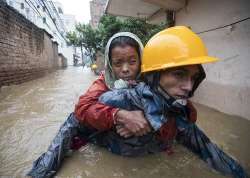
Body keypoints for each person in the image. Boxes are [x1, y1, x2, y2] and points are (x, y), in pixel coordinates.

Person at [97, 26, 248, 178]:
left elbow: (210, 152)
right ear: (153, 76)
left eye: (194, 78)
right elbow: (78, 121)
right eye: (179, 74)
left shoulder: (178, 113)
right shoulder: (116, 99)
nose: (189, 87)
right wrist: (118, 116)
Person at [27, 32, 151, 178]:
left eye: (132, 62)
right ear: (110, 64)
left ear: (141, 60)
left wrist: (148, 121)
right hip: (112, 137)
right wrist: (119, 116)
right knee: (75, 119)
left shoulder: (152, 78)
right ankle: (42, 170)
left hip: (143, 140)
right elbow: (82, 108)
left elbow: (172, 106)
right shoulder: (104, 81)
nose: (125, 69)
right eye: (118, 63)